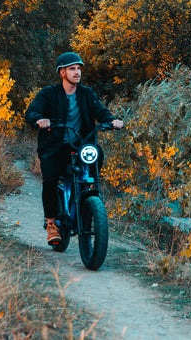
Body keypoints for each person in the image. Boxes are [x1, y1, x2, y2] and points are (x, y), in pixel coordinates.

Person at [24, 52, 123, 245]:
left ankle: (86, 199)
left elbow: (100, 111)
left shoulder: (87, 94)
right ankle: (52, 224)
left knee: (97, 154)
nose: (77, 72)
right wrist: (39, 119)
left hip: (81, 147)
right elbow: (32, 110)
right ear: (62, 72)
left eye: (78, 68)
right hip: (54, 148)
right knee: (50, 180)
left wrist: (111, 120)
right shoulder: (48, 93)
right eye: (72, 69)